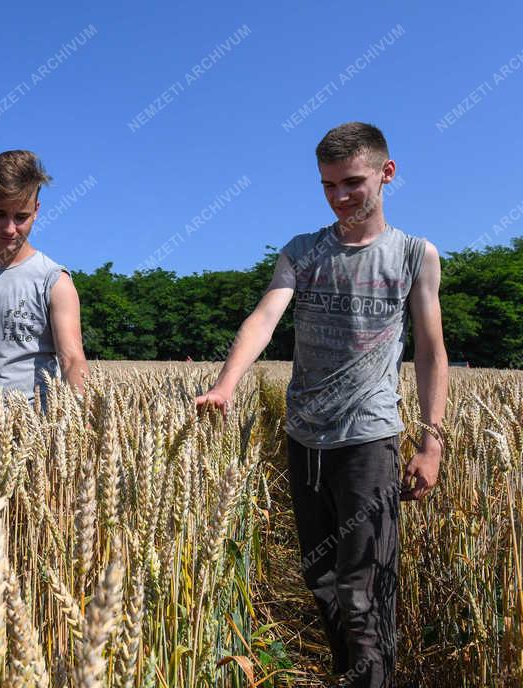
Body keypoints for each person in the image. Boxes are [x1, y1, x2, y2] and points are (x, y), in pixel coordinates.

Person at [196, 122, 448, 687]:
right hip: (304, 437)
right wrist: (226, 382)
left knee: (365, 588)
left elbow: (432, 351)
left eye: (352, 183)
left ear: (387, 173)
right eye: (328, 185)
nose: (339, 197)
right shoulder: (303, 252)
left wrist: (431, 443)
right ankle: (352, 675)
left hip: (369, 440)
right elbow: (265, 318)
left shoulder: (413, 256)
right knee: (321, 579)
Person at [0, 150, 89, 412]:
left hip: (35, 431)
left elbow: (71, 359)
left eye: (21, 217)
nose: (9, 228)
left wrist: (83, 419)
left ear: (36, 212)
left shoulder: (54, 281)